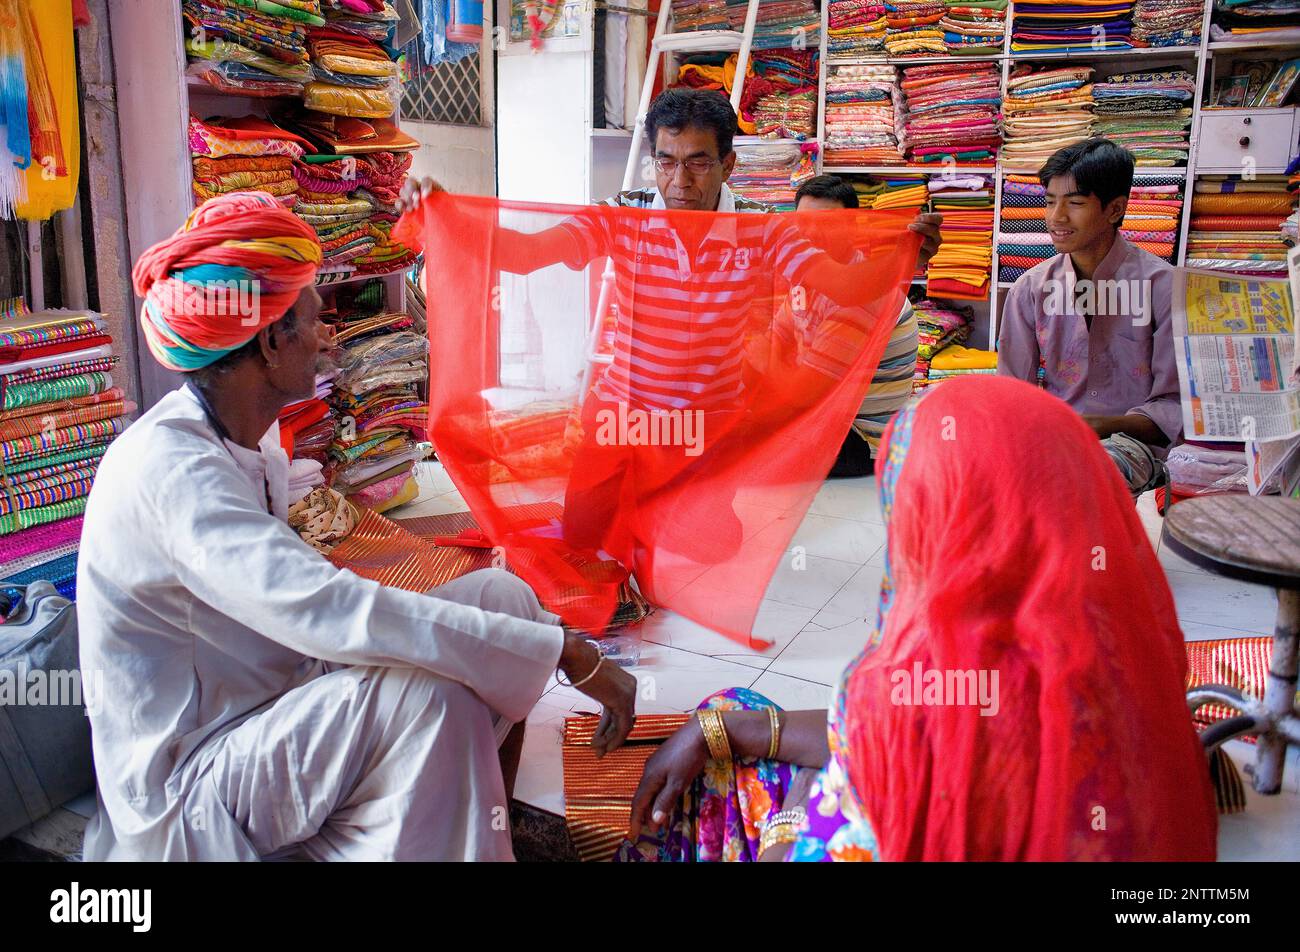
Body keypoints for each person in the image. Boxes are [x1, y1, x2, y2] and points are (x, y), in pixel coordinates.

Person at [76, 192, 636, 861]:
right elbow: (329, 607)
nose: (329, 334)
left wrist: (548, 640)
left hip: (273, 713)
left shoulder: (246, 443)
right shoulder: (171, 470)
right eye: (315, 319)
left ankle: (414, 825)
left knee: (506, 600)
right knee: (429, 702)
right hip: (193, 788)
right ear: (270, 340)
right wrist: (572, 654)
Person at [622, 376, 1217, 862]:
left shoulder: (914, 711)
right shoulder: (1135, 654)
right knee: (733, 717)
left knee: (724, 753)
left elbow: (897, 738)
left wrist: (800, 808)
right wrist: (720, 729)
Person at [399, 89, 942, 575]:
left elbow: (842, 285)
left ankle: (661, 501)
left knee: (712, 550)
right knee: (581, 542)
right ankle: (637, 498)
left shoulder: (759, 226)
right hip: (624, 417)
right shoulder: (624, 215)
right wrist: (443, 211)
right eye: (666, 161)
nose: (679, 182)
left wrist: (905, 255)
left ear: (728, 163)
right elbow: (525, 254)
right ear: (653, 161)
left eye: (699, 163)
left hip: (706, 426)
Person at [998, 138, 1181, 497]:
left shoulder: (1163, 288)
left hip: (1133, 445)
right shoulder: (1030, 288)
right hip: (1051, 437)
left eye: (1075, 203)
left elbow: (1173, 407)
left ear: (1114, 209)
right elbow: (1013, 391)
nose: (1056, 217)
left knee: (1078, 481)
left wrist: (1093, 426)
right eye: (1050, 202)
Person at [793, 174, 924, 477]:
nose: (810, 236)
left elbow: (806, 388)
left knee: (739, 449)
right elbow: (776, 341)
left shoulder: (862, 293)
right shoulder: (810, 280)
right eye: (802, 225)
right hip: (828, 423)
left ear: (851, 229)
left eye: (825, 225)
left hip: (861, 440)